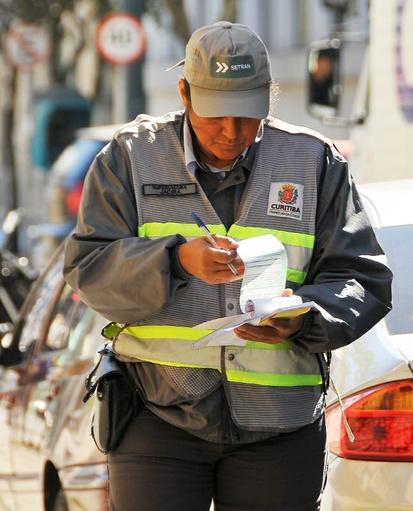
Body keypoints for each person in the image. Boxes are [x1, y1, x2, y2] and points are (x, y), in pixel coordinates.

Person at [63, 21, 393, 511]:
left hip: (280, 427)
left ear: (269, 99)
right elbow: (89, 269)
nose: (231, 131)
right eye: (215, 114)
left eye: (247, 115)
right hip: (157, 417)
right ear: (184, 93)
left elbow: (361, 278)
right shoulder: (130, 158)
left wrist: (306, 318)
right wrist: (175, 259)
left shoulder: (314, 161)